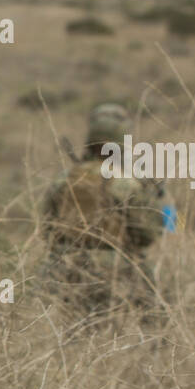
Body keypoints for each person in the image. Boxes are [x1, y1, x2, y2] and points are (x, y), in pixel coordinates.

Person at [37, 102, 166, 326]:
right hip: (117, 269)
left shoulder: (64, 179)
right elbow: (149, 234)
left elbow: (47, 227)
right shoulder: (126, 183)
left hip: (64, 265)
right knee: (154, 322)